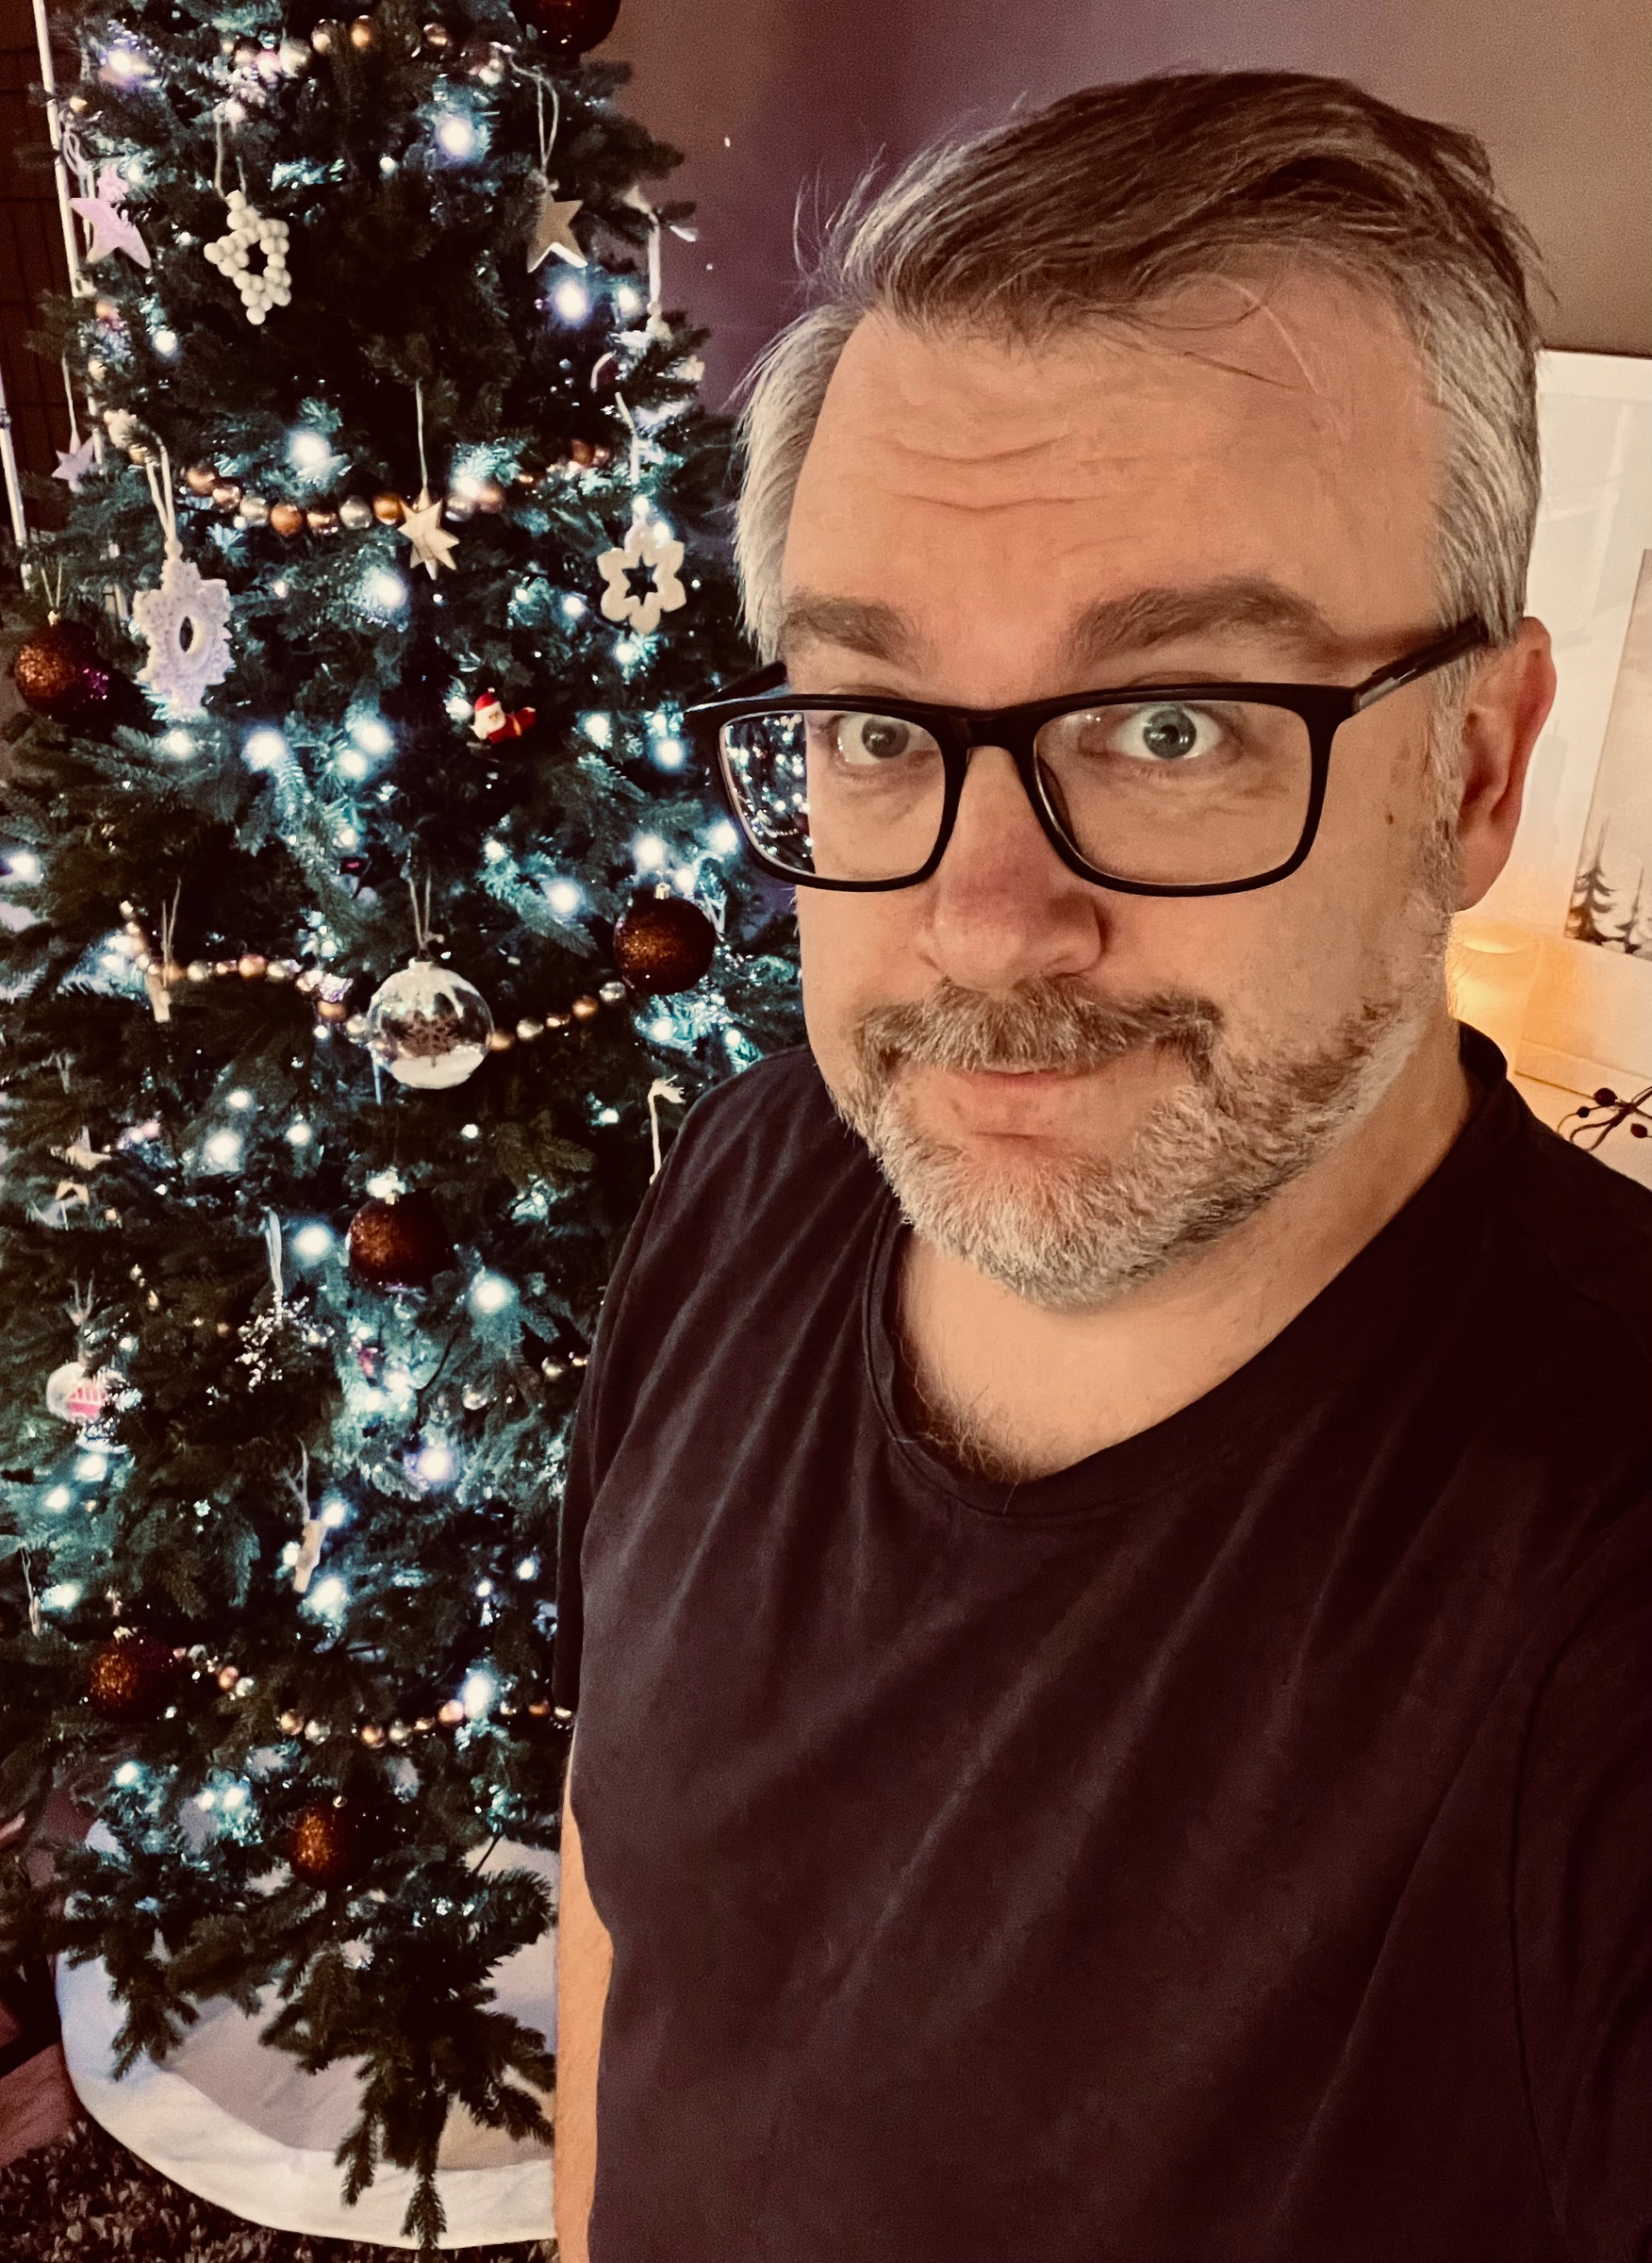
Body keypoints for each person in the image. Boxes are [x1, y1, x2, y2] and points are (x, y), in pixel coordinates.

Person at [553, 70, 1652, 2263]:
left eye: (1171, 725)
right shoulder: (767, 1174)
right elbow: (624, 1907)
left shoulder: (1593, 1612)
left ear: (1477, 765)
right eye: (877, 725)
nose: (982, 922)